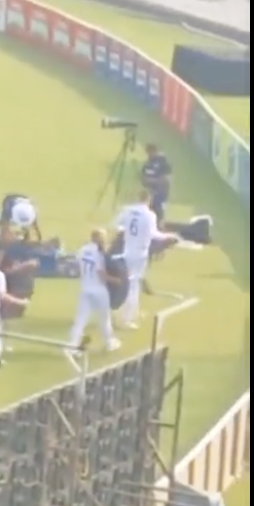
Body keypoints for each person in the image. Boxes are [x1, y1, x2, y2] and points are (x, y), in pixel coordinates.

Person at [116, 189, 176, 328]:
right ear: (148, 200)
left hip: (127, 251)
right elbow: (154, 234)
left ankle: (129, 313)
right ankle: (127, 319)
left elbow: (117, 224)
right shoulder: (149, 215)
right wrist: (169, 236)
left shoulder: (128, 210)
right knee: (133, 285)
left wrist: (127, 233)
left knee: (129, 283)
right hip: (140, 254)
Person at [68, 229, 121, 354]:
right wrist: (116, 281)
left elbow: (77, 268)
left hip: (85, 289)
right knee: (104, 319)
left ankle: (72, 345)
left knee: (80, 319)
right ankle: (109, 342)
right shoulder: (100, 253)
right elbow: (101, 274)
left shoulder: (82, 250)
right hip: (99, 291)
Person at [140, 144, 172, 223]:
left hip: (160, 194)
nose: (149, 155)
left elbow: (166, 179)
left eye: (150, 153)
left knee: (158, 213)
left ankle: (159, 226)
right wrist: (144, 181)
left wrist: (152, 181)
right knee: (147, 215)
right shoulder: (147, 164)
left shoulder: (163, 163)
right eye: (147, 153)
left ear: (155, 152)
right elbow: (143, 178)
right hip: (149, 194)